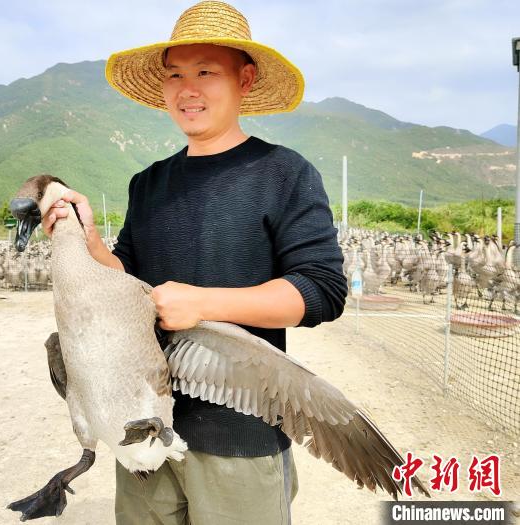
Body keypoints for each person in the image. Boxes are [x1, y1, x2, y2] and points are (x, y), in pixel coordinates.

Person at [41, 2, 347, 523]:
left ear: (245, 80)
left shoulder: (284, 173)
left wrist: (202, 304)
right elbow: (130, 285)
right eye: (176, 75)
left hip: (240, 435)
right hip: (141, 426)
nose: (188, 89)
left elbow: (321, 292)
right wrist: (90, 243)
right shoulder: (149, 182)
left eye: (206, 72)